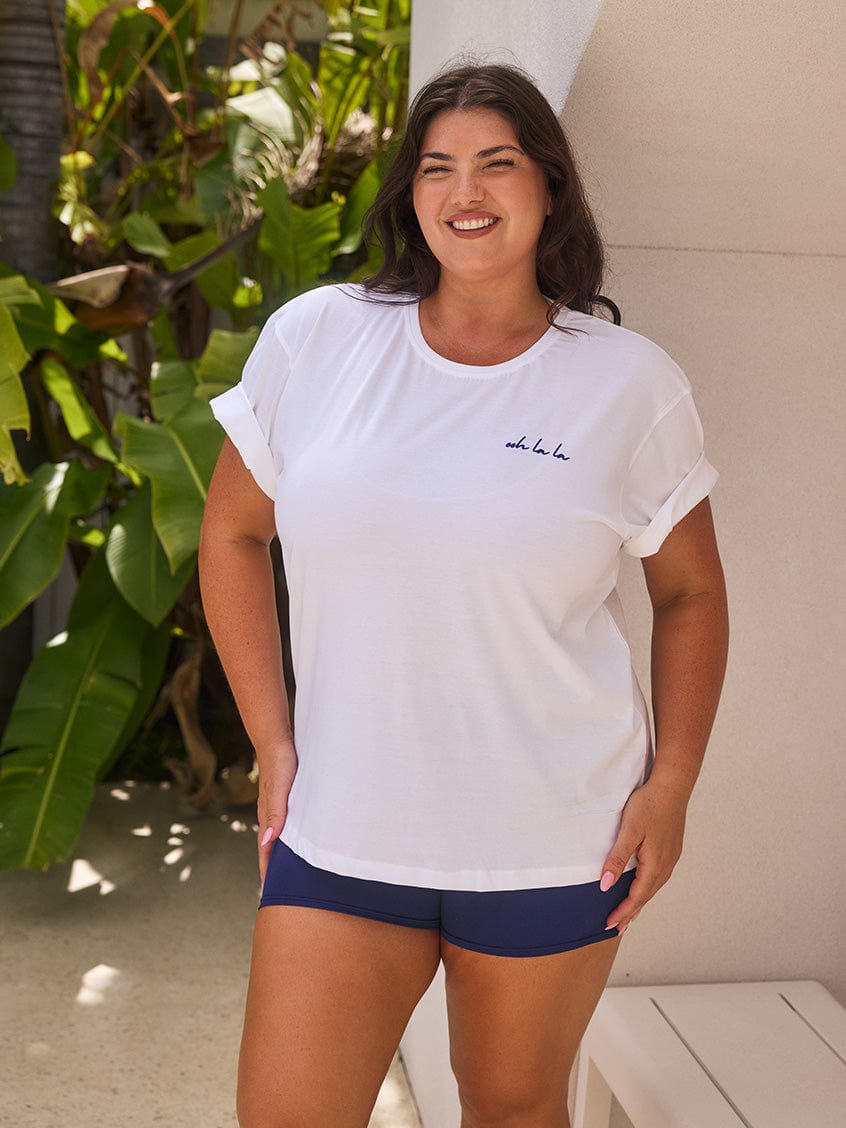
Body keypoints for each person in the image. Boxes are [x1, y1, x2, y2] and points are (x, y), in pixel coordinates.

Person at [199, 62, 729, 1128]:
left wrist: (669, 786)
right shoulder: (320, 340)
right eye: (437, 167)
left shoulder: (627, 383)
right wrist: (273, 739)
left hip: (555, 837)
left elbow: (691, 596)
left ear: (548, 187)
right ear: (409, 195)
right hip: (343, 829)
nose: (465, 191)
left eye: (497, 162)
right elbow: (232, 531)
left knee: (513, 1108)